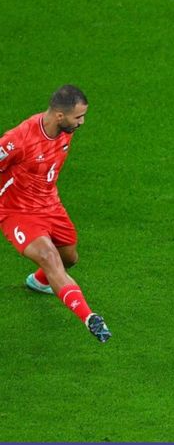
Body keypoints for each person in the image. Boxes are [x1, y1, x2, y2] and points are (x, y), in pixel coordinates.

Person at [0, 85, 111, 342]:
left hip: (50, 205)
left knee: (69, 257)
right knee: (50, 258)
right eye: (78, 117)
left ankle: (39, 282)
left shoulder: (64, 129)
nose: (82, 122)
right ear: (60, 116)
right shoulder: (19, 140)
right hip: (18, 212)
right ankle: (89, 317)